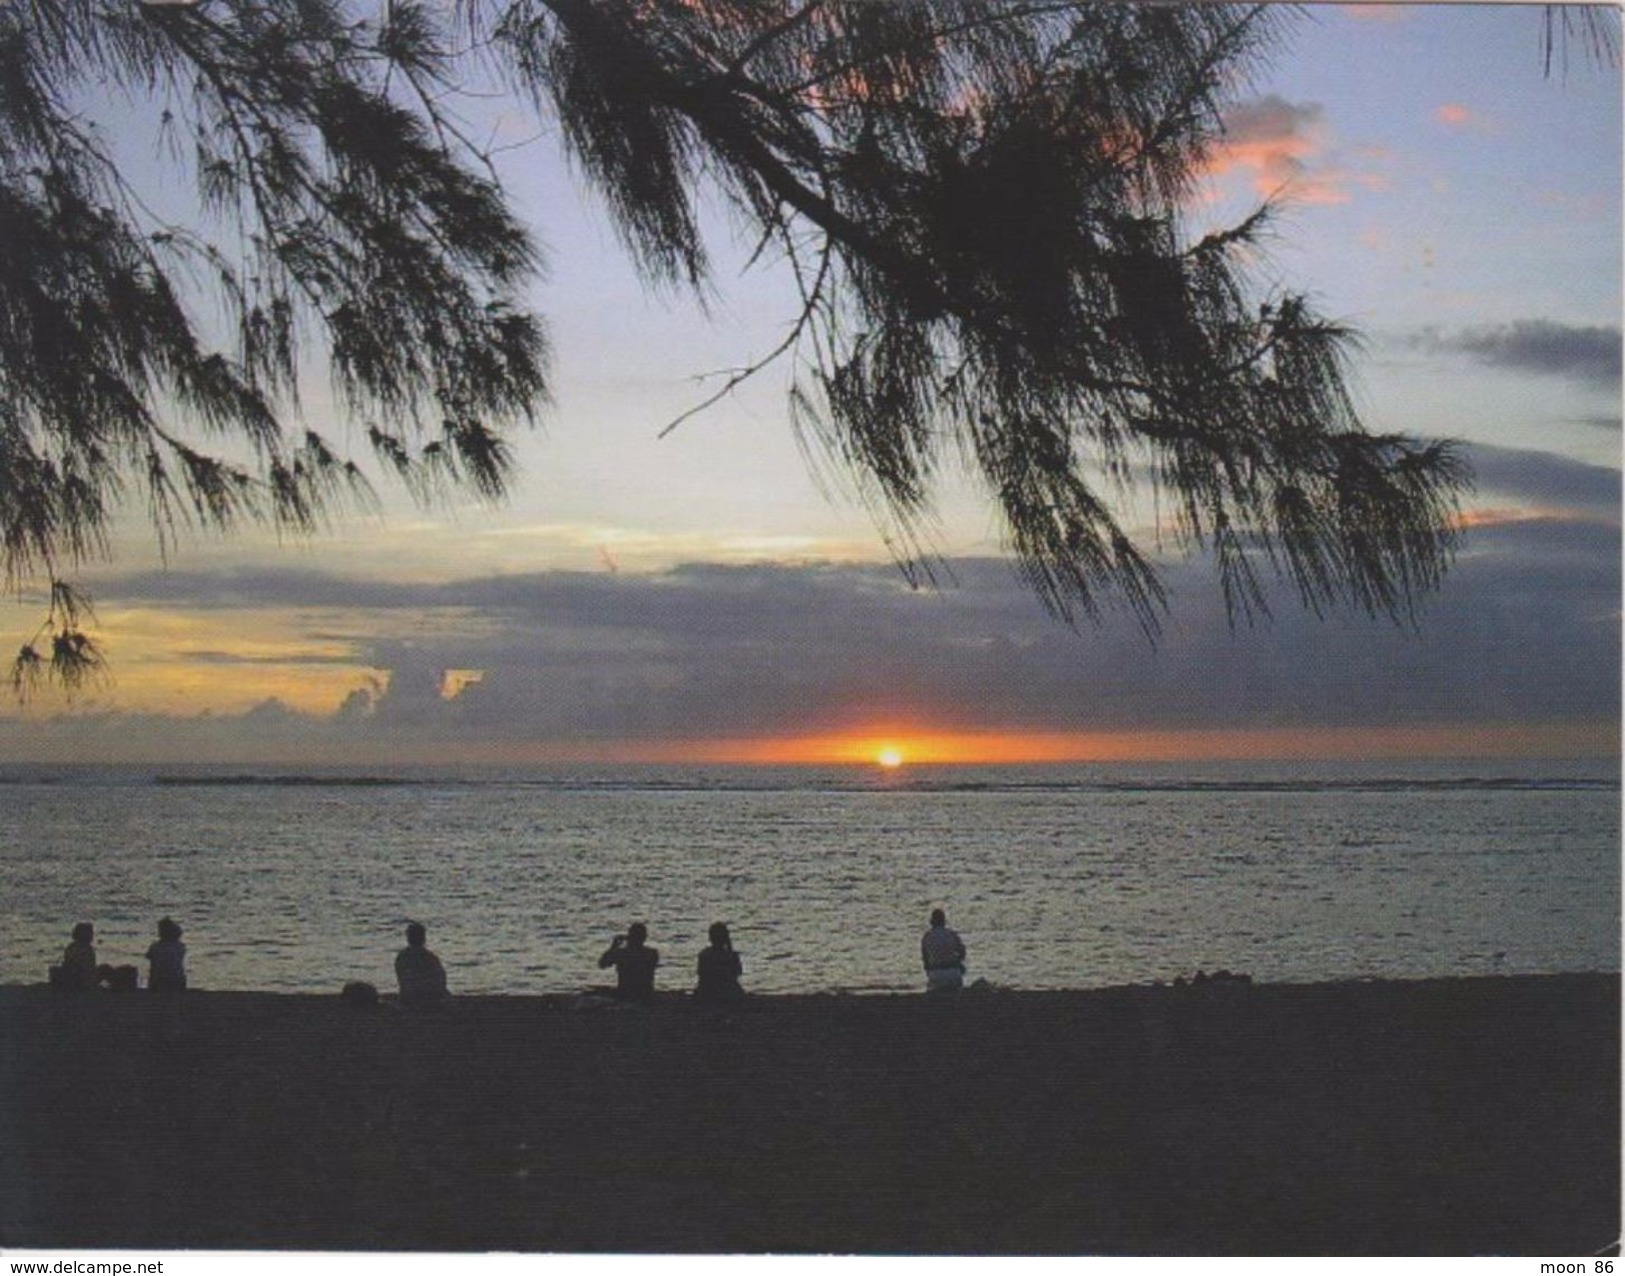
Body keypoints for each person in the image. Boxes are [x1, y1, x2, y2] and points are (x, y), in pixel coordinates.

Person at [598, 922, 659, 1001]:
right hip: (646, 994)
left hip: (625, 994)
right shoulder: (652, 953)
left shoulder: (622, 953)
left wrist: (613, 947)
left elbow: (602, 964)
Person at [394, 921, 449, 1006]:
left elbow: (401, 979)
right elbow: (440, 980)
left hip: (408, 998)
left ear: (408, 938)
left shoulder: (401, 957)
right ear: (423, 938)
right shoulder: (429, 957)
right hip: (429, 999)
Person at [694, 921, 744, 1001]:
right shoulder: (730, 955)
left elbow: (701, 974)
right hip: (724, 993)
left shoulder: (704, 954)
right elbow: (737, 972)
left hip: (707, 993)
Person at [921, 907, 967, 992]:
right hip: (953, 973)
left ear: (931, 921)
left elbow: (925, 962)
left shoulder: (927, 937)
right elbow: (962, 953)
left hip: (936, 974)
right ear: (944, 921)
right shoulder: (952, 934)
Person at [146, 917, 187, 993]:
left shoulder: (156, 946)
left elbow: (148, 956)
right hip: (177, 980)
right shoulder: (180, 946)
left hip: (159, 980)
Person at [59, 922, 102, 991]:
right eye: (90, 933)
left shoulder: (72, 947)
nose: (92, 936)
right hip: (82, 978)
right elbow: (85, 966)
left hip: (80, 977)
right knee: (105, 969)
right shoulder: (83, 949)